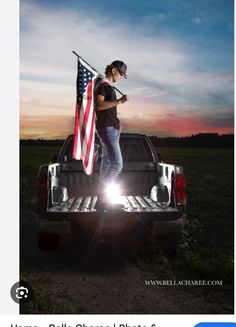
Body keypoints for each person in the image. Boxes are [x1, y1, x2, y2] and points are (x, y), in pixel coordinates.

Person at [94, 60, 128, 210]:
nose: (121, 77)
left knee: (107, 164)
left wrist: (117, 123)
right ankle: (103, 199)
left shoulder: (106, 86)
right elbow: (99, 105)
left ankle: (102, 201)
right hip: (107, 129)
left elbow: (107, 109)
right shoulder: (103, 85)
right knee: (117, 165)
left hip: (111, 128)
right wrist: (120, 101)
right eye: (121, 74)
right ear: (114, 70)